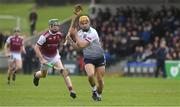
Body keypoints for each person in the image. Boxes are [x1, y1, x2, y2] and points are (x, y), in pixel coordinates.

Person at [33, 19, 76, 99]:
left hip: (55, 57)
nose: (57, 27)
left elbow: (63, 41)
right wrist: (42, 59)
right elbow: (36, 48)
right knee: (43, 75)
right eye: (55, 25)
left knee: (64, 72)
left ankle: (71, 91)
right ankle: (36, 76)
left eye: (57, 25)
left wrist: (67, 40)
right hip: (45, 58)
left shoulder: (59, 34)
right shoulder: (44, 36)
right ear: (51, 26)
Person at [67, 15, 106, 101]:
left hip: (99, 57)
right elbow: (78, 48)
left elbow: (82, 45)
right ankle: (94, 90)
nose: (84, 25)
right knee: (90, 75)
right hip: (89, 58)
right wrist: (70, 41)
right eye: (82, 23)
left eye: (86, 23)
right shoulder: (80, 33)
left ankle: (98, 93)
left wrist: (75, 34)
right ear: (80, 25)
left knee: (100, 81)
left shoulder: (93, 32)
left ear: (89, 23)